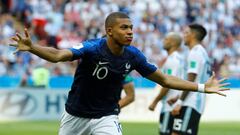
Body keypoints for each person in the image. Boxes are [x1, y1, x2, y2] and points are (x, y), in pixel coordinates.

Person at [10, 12, 229, 135]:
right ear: (109, 31)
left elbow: (164, 79)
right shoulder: (91, 48)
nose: (130, 31)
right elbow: (58, 55)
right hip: (74, 117)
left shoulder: (133, 56)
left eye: (131, 27)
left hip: (105, 117)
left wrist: (202, 87)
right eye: (124, 27)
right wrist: (33, 47)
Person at [169, 24, 212, 135]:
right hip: (195, 101)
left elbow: (190, 82)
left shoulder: (195, 52)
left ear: (192, 35)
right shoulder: (203, 52)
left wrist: (180, 102)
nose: (183, 36)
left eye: (186, 33)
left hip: (191, 102)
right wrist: (178, 97)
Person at [148, 32, 184, 135]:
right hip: (176, 103)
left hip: (169, 106)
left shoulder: (172, 60)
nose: (163, 41)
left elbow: (167, 83)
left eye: (166, 39)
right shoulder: (180, 59)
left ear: (173, 43)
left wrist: (155, 101)